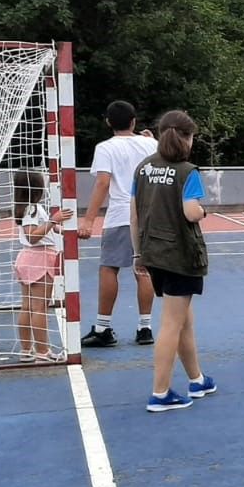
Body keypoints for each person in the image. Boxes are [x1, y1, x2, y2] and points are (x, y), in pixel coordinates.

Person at [130, 110, 215, 412]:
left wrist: (137, 252)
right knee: (170, 324)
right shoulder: (187, 171)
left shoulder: (142, 168)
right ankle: (160, 392)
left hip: (153, 252)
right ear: (188, 138)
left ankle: (197, 378)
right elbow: (191, 211)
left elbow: (135, 214)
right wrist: (204, 211)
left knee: (182, 319)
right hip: (180, 255)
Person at [79, 100, 158, 348]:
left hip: (121, 214)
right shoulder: (151, 144)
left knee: (109, 267)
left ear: (108, 122)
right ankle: (145, 327)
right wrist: (151, 139)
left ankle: (103, 327)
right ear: (134, 121)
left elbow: (103, 182)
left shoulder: (106, 147)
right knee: (143, 269)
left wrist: (89, 219)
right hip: (148, 214)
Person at [13, 170, 72, 363]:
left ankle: (26, 350)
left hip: (27, 258)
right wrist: (54, 220)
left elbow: (50, 228)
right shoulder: (33, 209)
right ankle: (43, 351)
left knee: (28, 307)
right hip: (39, 257)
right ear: (36, 188)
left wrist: (67, 230)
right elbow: (32, 236)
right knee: (39, 307)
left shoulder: (27, 208)